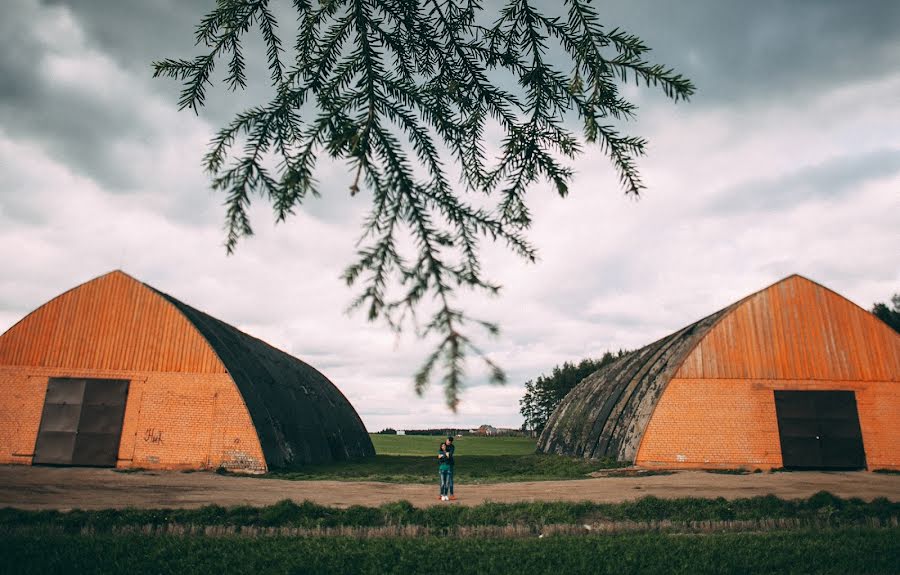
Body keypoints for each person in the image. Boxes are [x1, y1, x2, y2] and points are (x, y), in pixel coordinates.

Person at [445, 436, 456, 500]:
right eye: (448, 441)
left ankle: (451, 495)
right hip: (443, 464)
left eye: (449, 442)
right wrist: (446, 454)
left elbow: (450, 455)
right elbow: (440, 454)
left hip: (450, 464)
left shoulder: (452, 446)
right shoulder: (443, 445)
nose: (448, 442)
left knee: (450, 480)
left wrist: (445, 454)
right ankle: (442, 494)